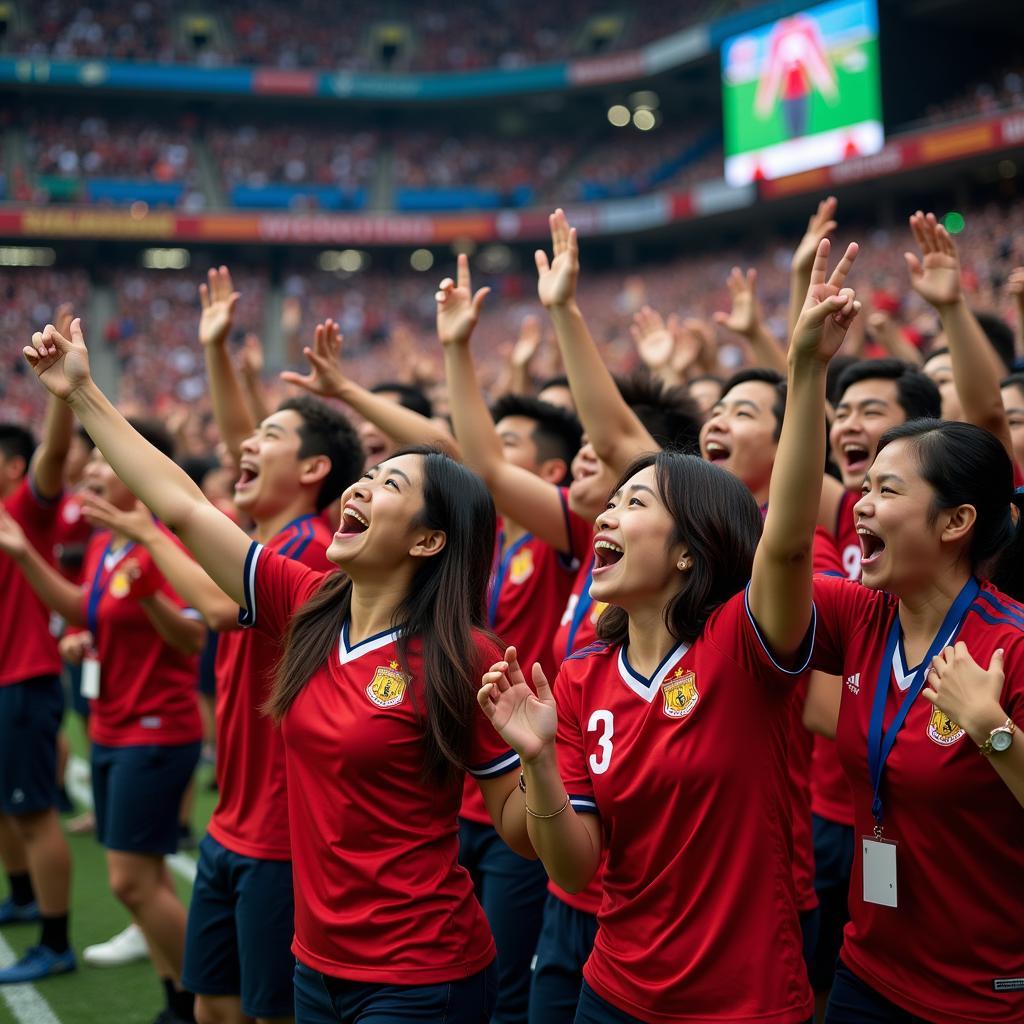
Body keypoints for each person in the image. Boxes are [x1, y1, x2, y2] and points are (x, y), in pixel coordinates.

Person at [21, 317, 532, 1024]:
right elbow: (183, 504)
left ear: (428, 539)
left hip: (421, 972)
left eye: (387, 485)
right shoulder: (307, 600)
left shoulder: (463, 656)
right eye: (368, 477)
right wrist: (82, 396)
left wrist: (538, 762)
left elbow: (523, 831)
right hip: (314, 962)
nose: (360, 489)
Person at [477, 237, 861, 1022]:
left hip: (744, 1001)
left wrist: (806, 367)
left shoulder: (743, 643)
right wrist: (541, 759)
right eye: (611, 505)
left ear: (690, 550)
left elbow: (783, 541)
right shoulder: (582, 675)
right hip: (613, 992)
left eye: (636, 503)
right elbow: (576, 869)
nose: (610, 514)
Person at [85, 288, 364, 1024]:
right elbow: (253, 458)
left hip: (279, 830)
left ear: (311, 473)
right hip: (231, 818)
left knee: (261, 1012)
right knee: (212, 1008)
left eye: (270, 436)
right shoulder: (274, 536)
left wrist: (148, 537)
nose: (245, 443)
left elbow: (214, 607)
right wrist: (215, 350)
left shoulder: (313, 551)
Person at [806, 417, 1024, 1024]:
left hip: (983, 996)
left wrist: (989, 725)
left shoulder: (1013, 645)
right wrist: (806, 373)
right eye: (864, 489)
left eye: (888, 491)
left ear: (956, 522)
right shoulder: (859, 613)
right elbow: (781, 556)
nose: (862, 507)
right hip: (868, 972)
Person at [0, 418, 207, 1024]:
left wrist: (148, 597)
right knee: (140, 881)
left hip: (157, 729)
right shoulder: (103, 542)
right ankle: (179, 1004)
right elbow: (80, 607)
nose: (87, 472)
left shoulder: (167, 540)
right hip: (112, 725)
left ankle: (208, 1001)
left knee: (131, 882)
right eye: (89, 463)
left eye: (102, 463)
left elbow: (195, 636)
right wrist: (28, 560)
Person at [438, 253, 585, 1024]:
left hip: (534, 788)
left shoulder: (577, 536)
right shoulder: (507, 544)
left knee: (503, 993)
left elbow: (483, 465)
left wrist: (464, 353)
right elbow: (474, 462)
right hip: (479, 782)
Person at [0, 374, 76, 985]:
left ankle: (56, 939)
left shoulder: (23, 509)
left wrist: (59, 394)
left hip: (23, 681)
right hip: (7, 683)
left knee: (34, 815)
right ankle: (23, 896)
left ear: (12, 465)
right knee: (7, 810)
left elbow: (53, 456)